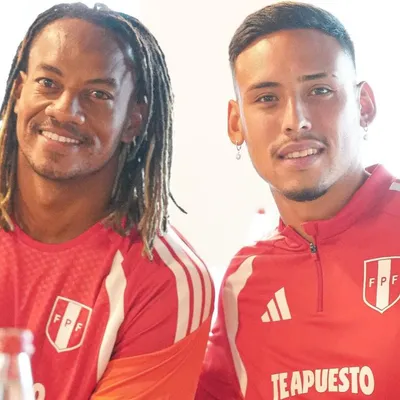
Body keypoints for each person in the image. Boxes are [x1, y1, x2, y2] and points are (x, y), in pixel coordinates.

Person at [0, 2, 214, 399]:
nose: (65, 110)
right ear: (17, 93)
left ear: (134, 120)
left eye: (98, 94)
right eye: (48, 83)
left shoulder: (166, 279)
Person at [196, 2, 400, 399]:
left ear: (364, 105)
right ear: (236, 124)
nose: (296, 121)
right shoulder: (242, 284)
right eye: (267, 98)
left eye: (319, 91)